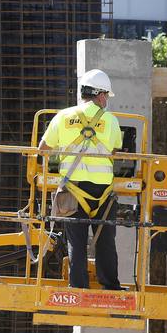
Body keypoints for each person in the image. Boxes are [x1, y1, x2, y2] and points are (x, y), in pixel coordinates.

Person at [37, 68, 124, 291]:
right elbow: (115, 151)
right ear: (101, 95)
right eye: (106, 96)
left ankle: (78, 287)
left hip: (73, 190)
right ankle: (110, 285)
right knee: (105, 240)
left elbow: (42, 149)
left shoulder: (63, 117)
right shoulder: (111, 121)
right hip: (102, 193)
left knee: (76, 241)